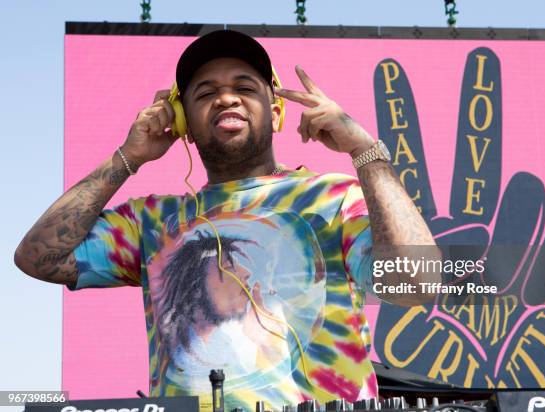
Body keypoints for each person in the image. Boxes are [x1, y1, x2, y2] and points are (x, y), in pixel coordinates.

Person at [14, 30, 438, 411]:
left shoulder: (333, 197)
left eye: (244, 87)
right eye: (205, 93)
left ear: (276, 114)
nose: (226, 98)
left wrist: (365, 151)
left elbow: (419, 283)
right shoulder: (153, 221)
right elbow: (38, 257)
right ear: (185, 128)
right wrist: (129, 157)